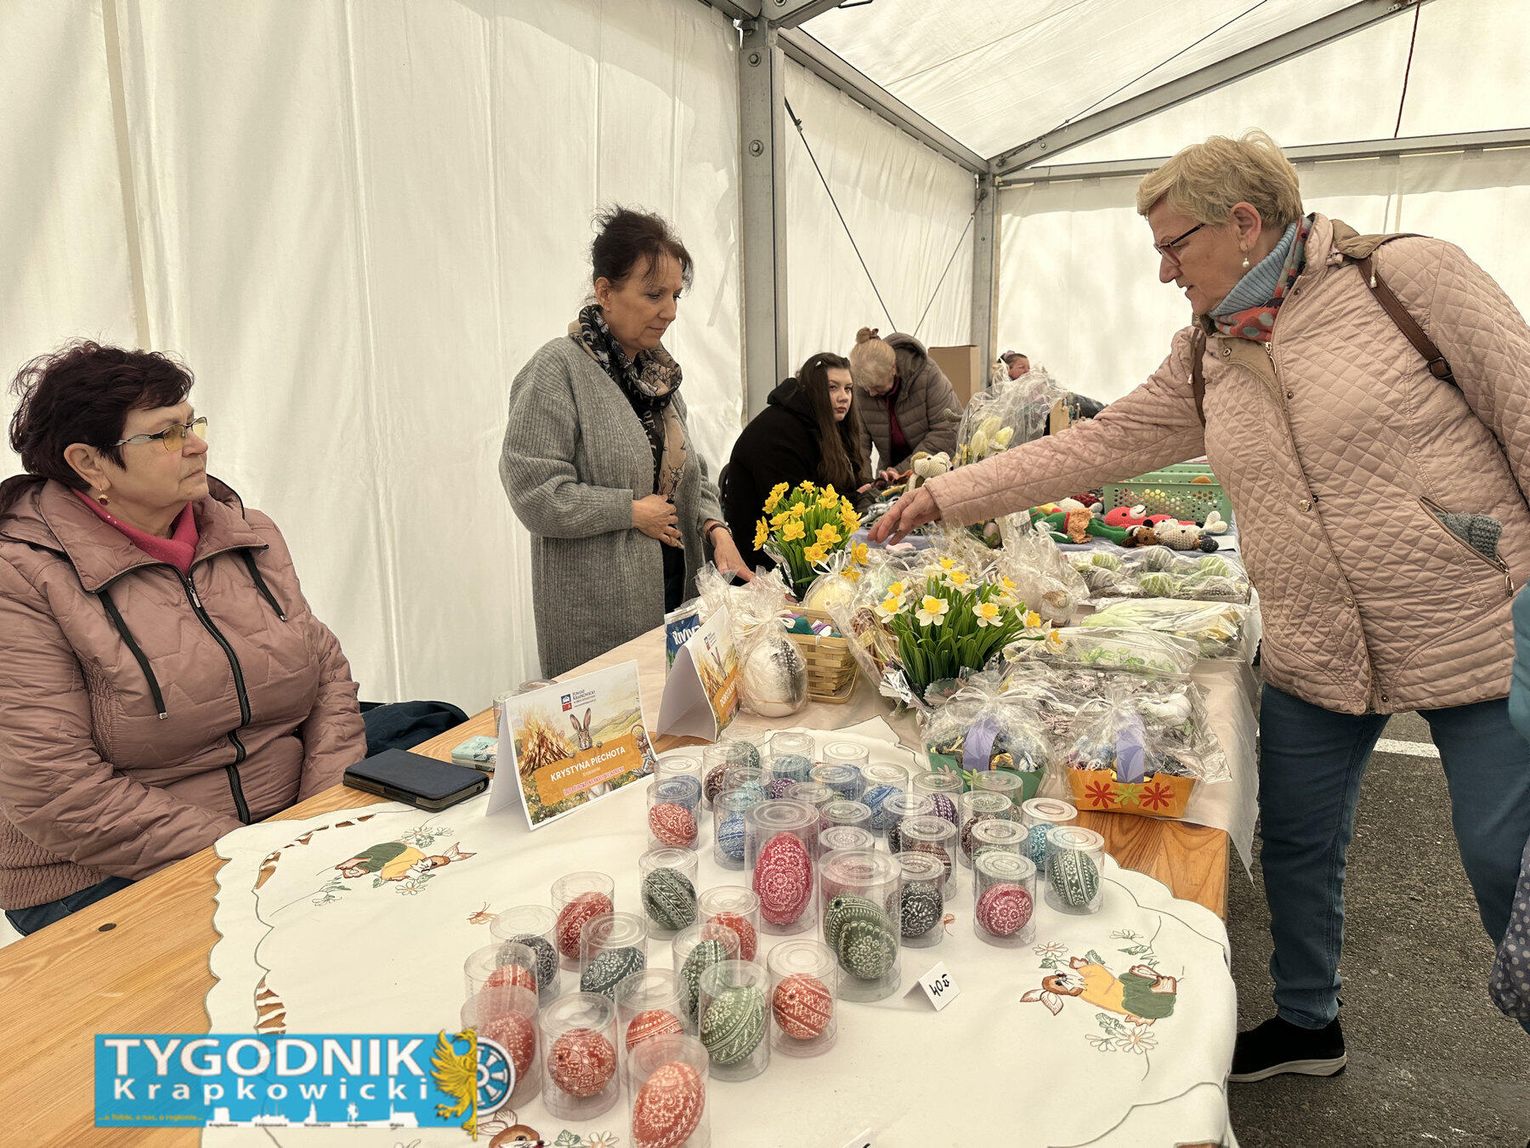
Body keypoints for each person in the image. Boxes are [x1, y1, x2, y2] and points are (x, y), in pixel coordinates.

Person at [873, 130, 1530, 1069]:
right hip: (1314, 642)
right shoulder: (1207, 355)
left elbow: (1524, 408)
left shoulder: (1407, 279)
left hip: (1474, 621)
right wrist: (946, 495)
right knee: (1296, 843)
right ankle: (1308, 1022)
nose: (1163, 270)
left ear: (1245, 222)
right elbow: (1096, 446)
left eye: (1174, 245)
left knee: (1508, 860)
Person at [0, 342, 366, 935]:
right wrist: (254, 855)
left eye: (192, 423)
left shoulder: (246, 531)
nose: (197, 445)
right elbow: (55, 789)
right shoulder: (20, 576)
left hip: (287, 825)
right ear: (89, 463)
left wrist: (322, 815)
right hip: (105, 869)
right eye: (166, 434)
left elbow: (326, 673)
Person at [501, 207, 750, 678]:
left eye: (675, 295)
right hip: (599, 621)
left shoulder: (657, 378)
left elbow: (692, 472)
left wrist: (716, 530)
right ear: (605, 292)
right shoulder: (556, 370)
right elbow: (535, 493)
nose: (670, 311)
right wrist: (630, 511)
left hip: (675, 603)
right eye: (654, 294)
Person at [721, 352, 870, 573]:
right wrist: (853, 499)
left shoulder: (825, 425)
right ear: (813, 390)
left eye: (848, 389)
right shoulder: (779, 431)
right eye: (832, 388)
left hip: (799, 554)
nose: (844, 397)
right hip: (762, 565)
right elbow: (794, 510)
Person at [847, 327, 961, 481]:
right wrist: (864, 484)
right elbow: (859, 443)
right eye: (866, 389)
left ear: (893, 368)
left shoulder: (928, 375)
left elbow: (946, 432)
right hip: (892, 474)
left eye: (877, 387)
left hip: (934, 470)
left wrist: (901, 471)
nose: (871, 393)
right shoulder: (863, 384)